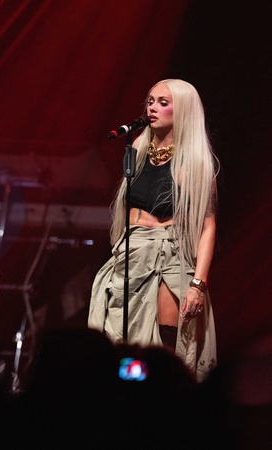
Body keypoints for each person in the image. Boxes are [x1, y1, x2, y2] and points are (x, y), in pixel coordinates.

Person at [88, 79, 219, 382]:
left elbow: (208, 226)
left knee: (166, 343)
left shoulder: (196, 163)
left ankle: (165, 395)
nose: (152, 108)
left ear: (183, 109)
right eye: (150, 101)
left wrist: (198, 284)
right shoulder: (136, 149)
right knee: (120, 338)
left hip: (171, 256)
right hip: (133, 252)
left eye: (163, 102)